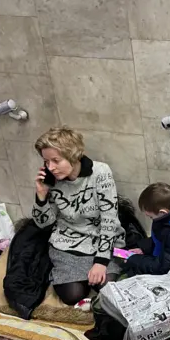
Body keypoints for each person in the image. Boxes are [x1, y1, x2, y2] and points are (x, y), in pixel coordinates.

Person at [32, 127, 125, 306]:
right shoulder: (51, 180)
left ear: (73, 155)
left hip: (103, 242)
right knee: (72, 295)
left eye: (56, 160)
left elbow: (109, 219)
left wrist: (101, 262)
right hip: (67, 244)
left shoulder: (100, 172)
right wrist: (41, 196)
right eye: (46, 161)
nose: (50, 167)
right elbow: (43, 224)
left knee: (109, 288)